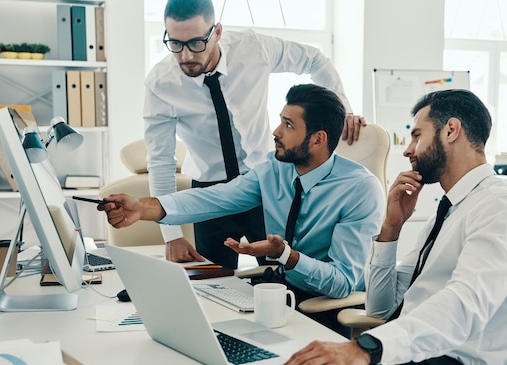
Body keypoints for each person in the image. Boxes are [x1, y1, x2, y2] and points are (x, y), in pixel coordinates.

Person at [274, 89, 507, 365]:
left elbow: (464, 305)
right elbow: (381, 306)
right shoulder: (451, 209)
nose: (409, 150)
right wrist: (391, 229)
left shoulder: (501, 208)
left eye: (416, 135)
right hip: (415, 358)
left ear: (451, 130)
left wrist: (366, 348)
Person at [101, 84, 384, 334]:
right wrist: (143, 208)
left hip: (324, 313)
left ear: (318, 139)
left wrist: (286, 255)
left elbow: (343, 283)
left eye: (288, 124)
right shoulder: (276, 169)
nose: (275, 132)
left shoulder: (360, 189)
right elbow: (214, 198)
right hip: (276, 296)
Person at [145, 0, 366, 268]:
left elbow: (314, 59)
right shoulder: (160, 83)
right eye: (176, 44)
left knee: (281, 276)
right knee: (214, 285)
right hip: (211, 192)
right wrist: (172, 235)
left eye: (196, 43)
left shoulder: (253, 48)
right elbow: (161, 161)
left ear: (217, 32)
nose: (186, 55)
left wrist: (341, 111)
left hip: (264, 184)